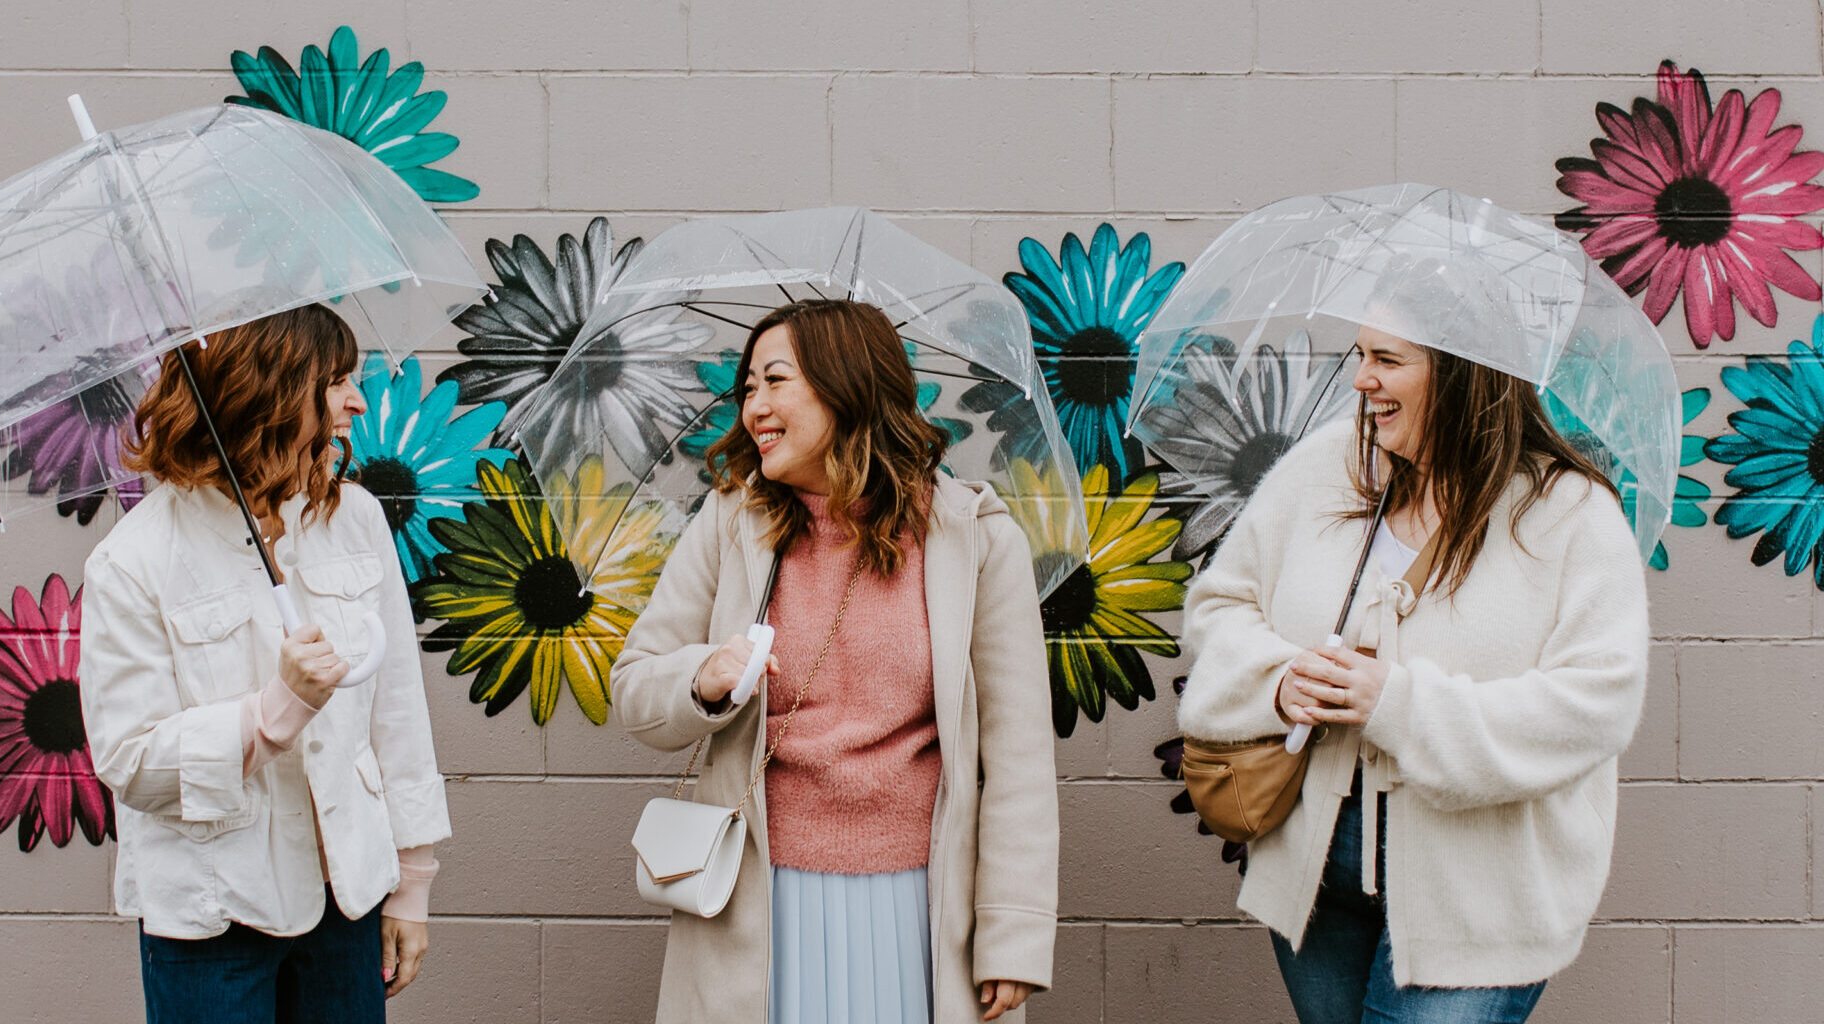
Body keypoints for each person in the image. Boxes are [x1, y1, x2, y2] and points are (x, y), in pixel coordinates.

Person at [1177, 319, 1650, 1024]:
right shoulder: (1323, 468)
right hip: (1319, 878)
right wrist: (1278, 680)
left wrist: (1398, 706)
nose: (1362, 379)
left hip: (1482, 899)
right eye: (1361, 355)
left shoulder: (1570, 512)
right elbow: (1220, 607)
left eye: (1388, 360)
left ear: (1462, 371)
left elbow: (1597, 703)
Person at [612, 299, 1059, 1024]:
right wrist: (703, 677)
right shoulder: (731, 523)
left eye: (774, 380)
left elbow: (1020, 760)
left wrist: (1014, 933)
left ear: (845, 386)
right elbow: (634, 689)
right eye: (747, 387)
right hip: (757, 907)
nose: (754, 406)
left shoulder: (974, 538)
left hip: (920, 908)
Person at [78, 305, 450, 1023]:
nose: (357, 402)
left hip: (346, 901)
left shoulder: (354, 519)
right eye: (335, 381)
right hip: (212, 917)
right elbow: (130, 759)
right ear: (269, 394)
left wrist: (412, 882)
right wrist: (275, 712)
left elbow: (399, 712)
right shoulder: (132, 562)